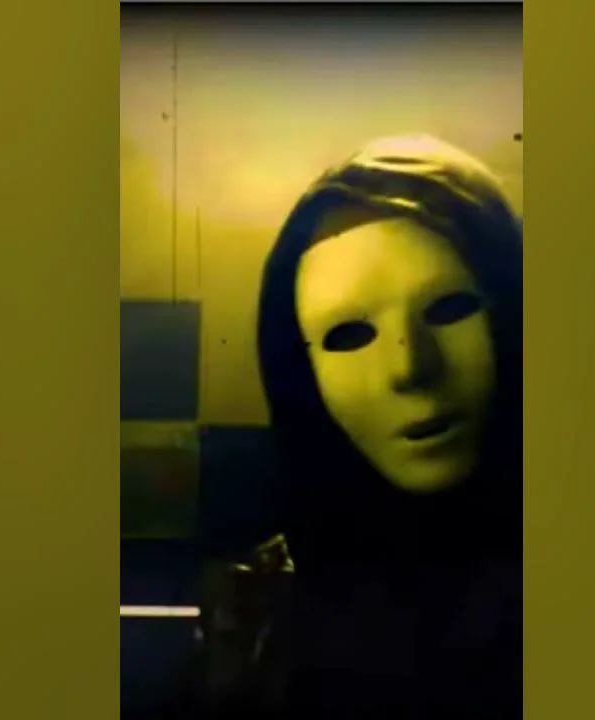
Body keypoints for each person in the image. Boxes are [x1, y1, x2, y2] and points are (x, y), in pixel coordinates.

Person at [198, 134, 524, 717]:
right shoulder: (259, 611)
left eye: (449, 309)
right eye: (349, 333)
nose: (410, 369)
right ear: (300, 372)